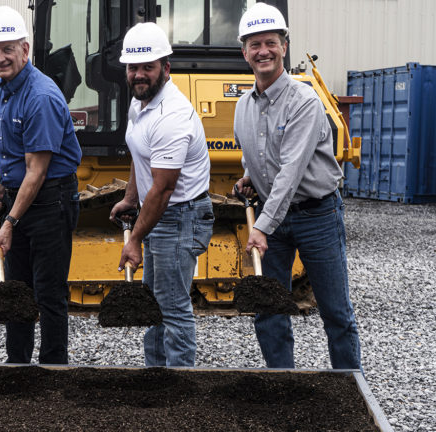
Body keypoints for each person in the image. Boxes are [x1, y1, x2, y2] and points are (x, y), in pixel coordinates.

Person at [233, 3, 362, 370]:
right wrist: (247, 176)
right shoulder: (243, 106)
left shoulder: (304, 101)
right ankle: (282, 384)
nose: (263, 51)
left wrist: (260, 227)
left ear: (284, 47)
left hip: (316, 214)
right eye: (254, 44)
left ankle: (349, 387)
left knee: (335, 312)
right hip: (274, 217)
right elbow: (254, 153)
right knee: (270, 309)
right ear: (245, 52)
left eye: (270, 43)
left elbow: (290, 173)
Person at [0, 6, 82, 364]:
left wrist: (8, 223)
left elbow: (37, 172)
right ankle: (17, 365)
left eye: (8, 49)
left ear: (25, 48)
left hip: (51, 201)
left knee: (49, 293)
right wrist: (1, 187)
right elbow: (15, 158)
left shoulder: (41, 97)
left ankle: (53, 367)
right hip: (21, 197)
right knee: (16, 290)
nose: (0, 58)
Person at [109, 22, 214, 367]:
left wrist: (134, 239)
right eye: (133, 67)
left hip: (179, 215)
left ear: (165, 69)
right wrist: (129, 197)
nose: (139, 74)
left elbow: (164, 188)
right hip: (160, 211)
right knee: (155, 301)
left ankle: (180, 389)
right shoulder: (140, 103)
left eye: (147, 67)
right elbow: (141, 157)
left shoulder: (172, 116)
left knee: (172, 306)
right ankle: (156, 377)